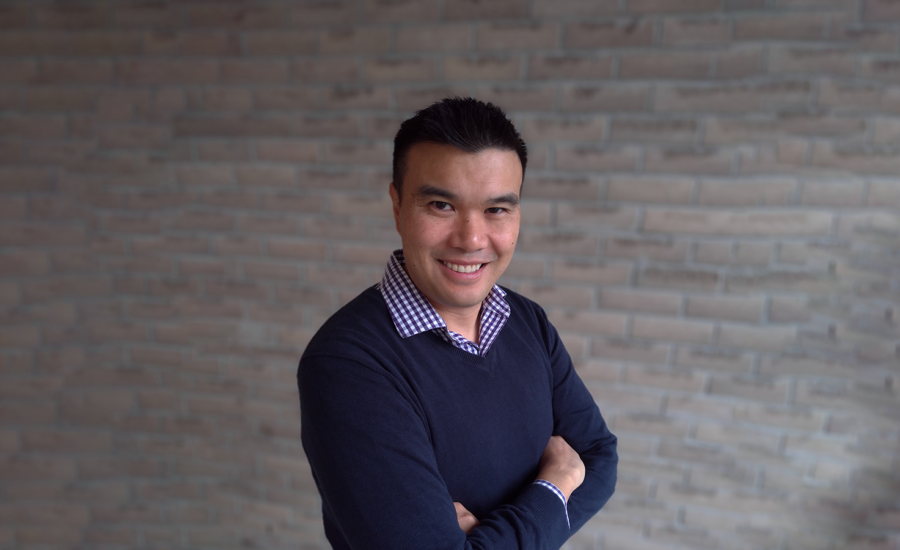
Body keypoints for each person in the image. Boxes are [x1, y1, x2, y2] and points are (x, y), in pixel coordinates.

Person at [297, 97, 617, 549]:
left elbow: (599, 458)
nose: (471, 239)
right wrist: (556, 485)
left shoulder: (528, 322)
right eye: (442, 205)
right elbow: (578, 470)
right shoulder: (349, 364)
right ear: (397, 205)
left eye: (497, 210)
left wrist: (487, 539)